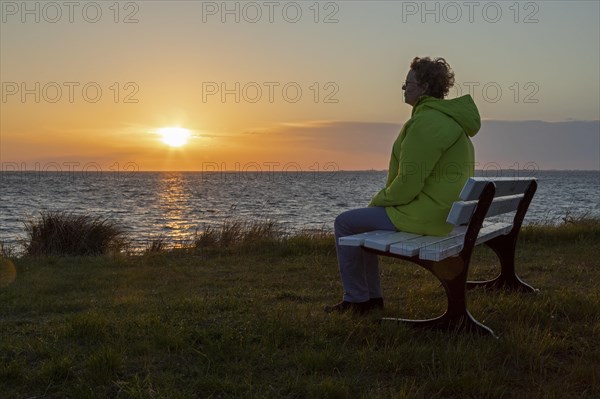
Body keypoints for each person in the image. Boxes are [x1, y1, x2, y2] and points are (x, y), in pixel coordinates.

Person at [325, 57, 481, 314]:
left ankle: (358, 301)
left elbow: (408, 184)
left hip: (427, 217)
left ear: (425, 86)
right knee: (361, 222)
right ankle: (369, 300)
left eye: (408, 83)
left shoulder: (425, 124)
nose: (403, 88)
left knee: (345, 222)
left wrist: (378, 200)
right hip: (445, 214)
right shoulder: (452, 123)